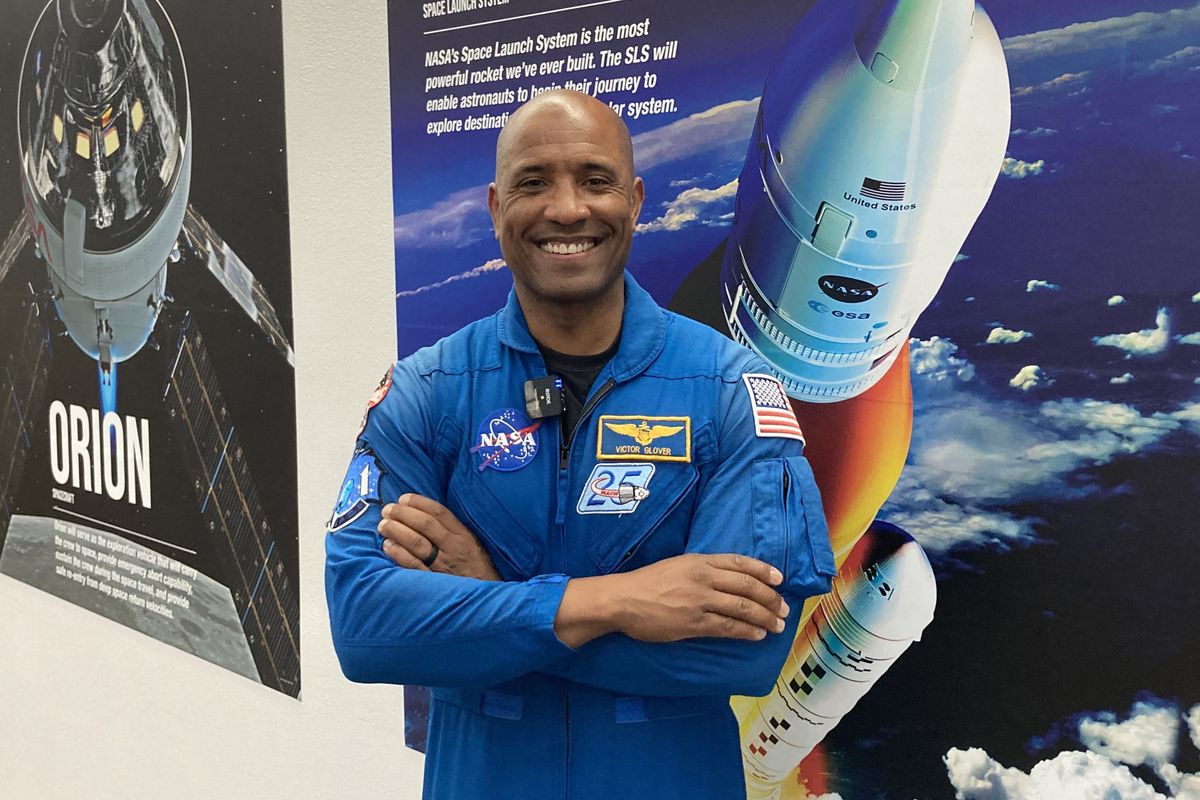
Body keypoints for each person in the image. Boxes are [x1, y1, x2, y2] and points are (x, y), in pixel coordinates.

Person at [324, 89, 835, 800]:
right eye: (534, 183)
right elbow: (365, 626)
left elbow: (741, 654)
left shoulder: (729, 390)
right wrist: (617, 602)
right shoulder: (429, 392)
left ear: (636, 199)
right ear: (497, 207)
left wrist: (492, 602)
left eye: (595, 180)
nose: (567, 209)